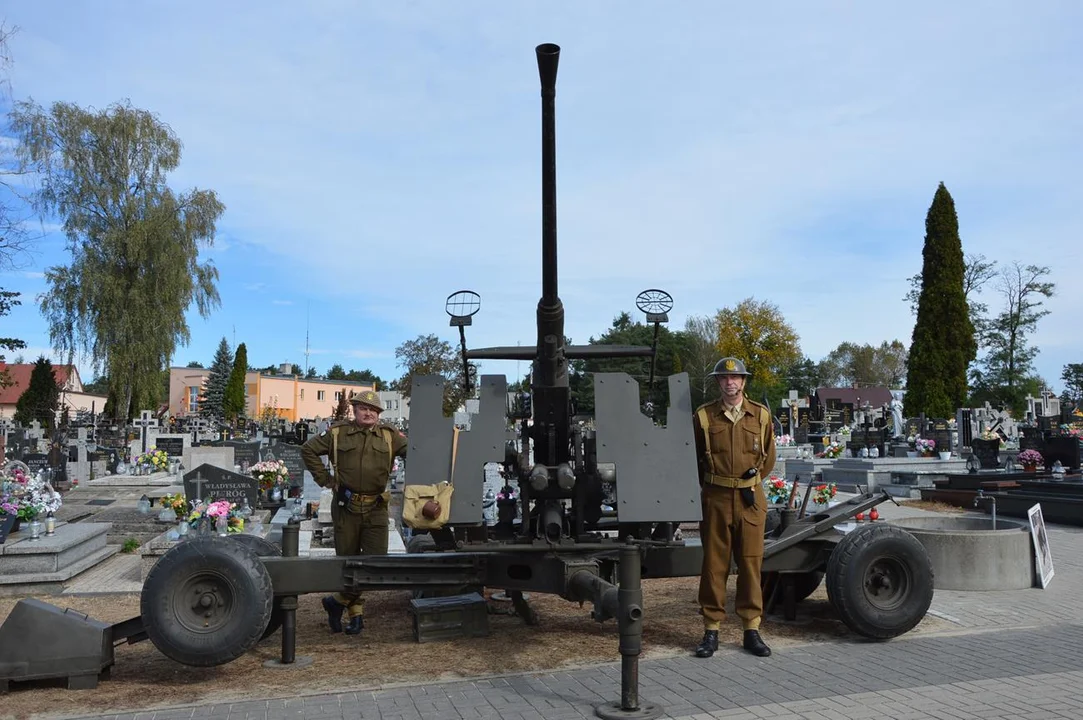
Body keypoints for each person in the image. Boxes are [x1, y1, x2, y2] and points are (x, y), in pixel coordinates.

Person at [301, 389, 407, 635]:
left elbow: (417, 452)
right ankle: (356, 615)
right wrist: (325, 479)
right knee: (349, 563)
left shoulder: (391, 436)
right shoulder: (338, 434)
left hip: (376, 507)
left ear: (379, 413)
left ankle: (336, 601)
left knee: (374, 563)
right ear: (355, 410)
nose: (368, 412)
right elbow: (308, 450)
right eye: (363, 408)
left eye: (373, 410)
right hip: (346, 508)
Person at [692, 357, 776, 658]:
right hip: (715, 499)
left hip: (749, 501)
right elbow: (695, 459)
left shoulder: (761, 416)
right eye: (725, 379)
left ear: (744, 382)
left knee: (751, 565)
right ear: (718, 382)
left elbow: (768, 460)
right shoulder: (703, 417)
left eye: (736, 378)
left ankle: (751, 630)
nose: (731, 383)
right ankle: (711, 630)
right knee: (714, 567)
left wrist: (747, 483)